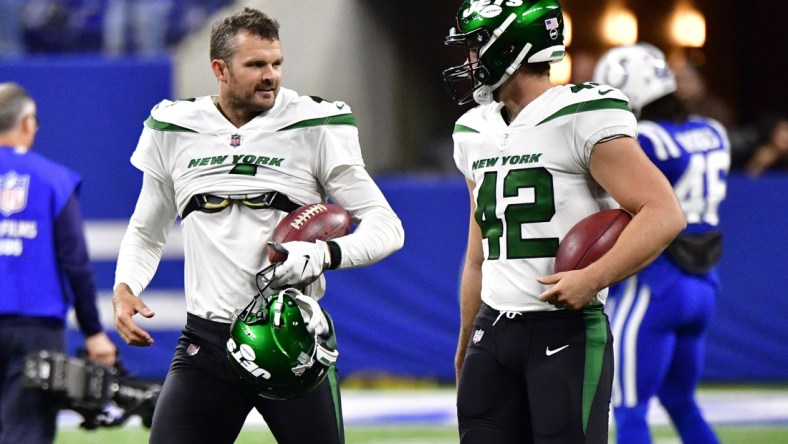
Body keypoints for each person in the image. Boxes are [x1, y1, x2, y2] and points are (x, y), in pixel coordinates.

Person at [112, 7, 404, 444]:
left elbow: (387, 226)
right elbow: (146, 230)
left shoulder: (314, 124)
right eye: (255, 65)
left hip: (291, 339)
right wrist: (126, 285)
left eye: (276, 63)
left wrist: (325, 254)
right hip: (206, 343)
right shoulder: (175, 127)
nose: (271, 75)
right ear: (220, 69)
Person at [442, 2, 686, 442]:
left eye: (477, 46)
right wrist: (466, 336)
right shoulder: (473, 130)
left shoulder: (581, 114)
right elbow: (478, 254)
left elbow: (664, 213)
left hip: (565, 331)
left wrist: (591, 278)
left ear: (511, 49)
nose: (469, 60)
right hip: (493, 331)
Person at [593, 43, 729, 444]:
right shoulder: (712, 131)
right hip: (702, 286)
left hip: (653, 286)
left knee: (631, 410)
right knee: (681, 402)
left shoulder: (645, 139)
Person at [0, 82, 117, 443]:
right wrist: (93, 331)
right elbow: (75, 263)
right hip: (35, 330)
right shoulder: (54, 180)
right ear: (28, 122)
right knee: (27, 432)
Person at [745, 111, 788, 177]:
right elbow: (748, 180)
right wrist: (758, 164)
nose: (786, 136)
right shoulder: (762, 156)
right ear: (772, 134)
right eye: (784, 130)